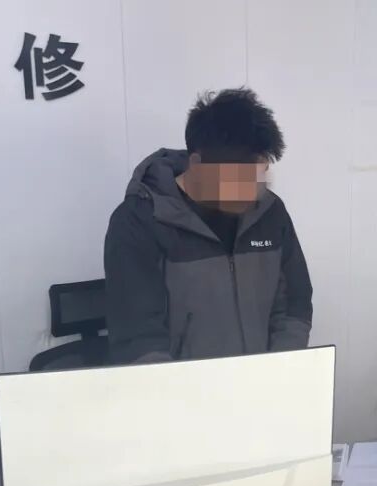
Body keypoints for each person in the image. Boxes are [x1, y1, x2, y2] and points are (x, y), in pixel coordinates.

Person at [104, 88, 312, 364]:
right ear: (197, 164)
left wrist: (280, 369)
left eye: (258, 176)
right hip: (181, 388)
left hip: (263, 383)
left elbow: (294, 306)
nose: (252, 192)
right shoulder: (140, 221)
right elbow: (138, 337)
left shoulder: (270, 212)